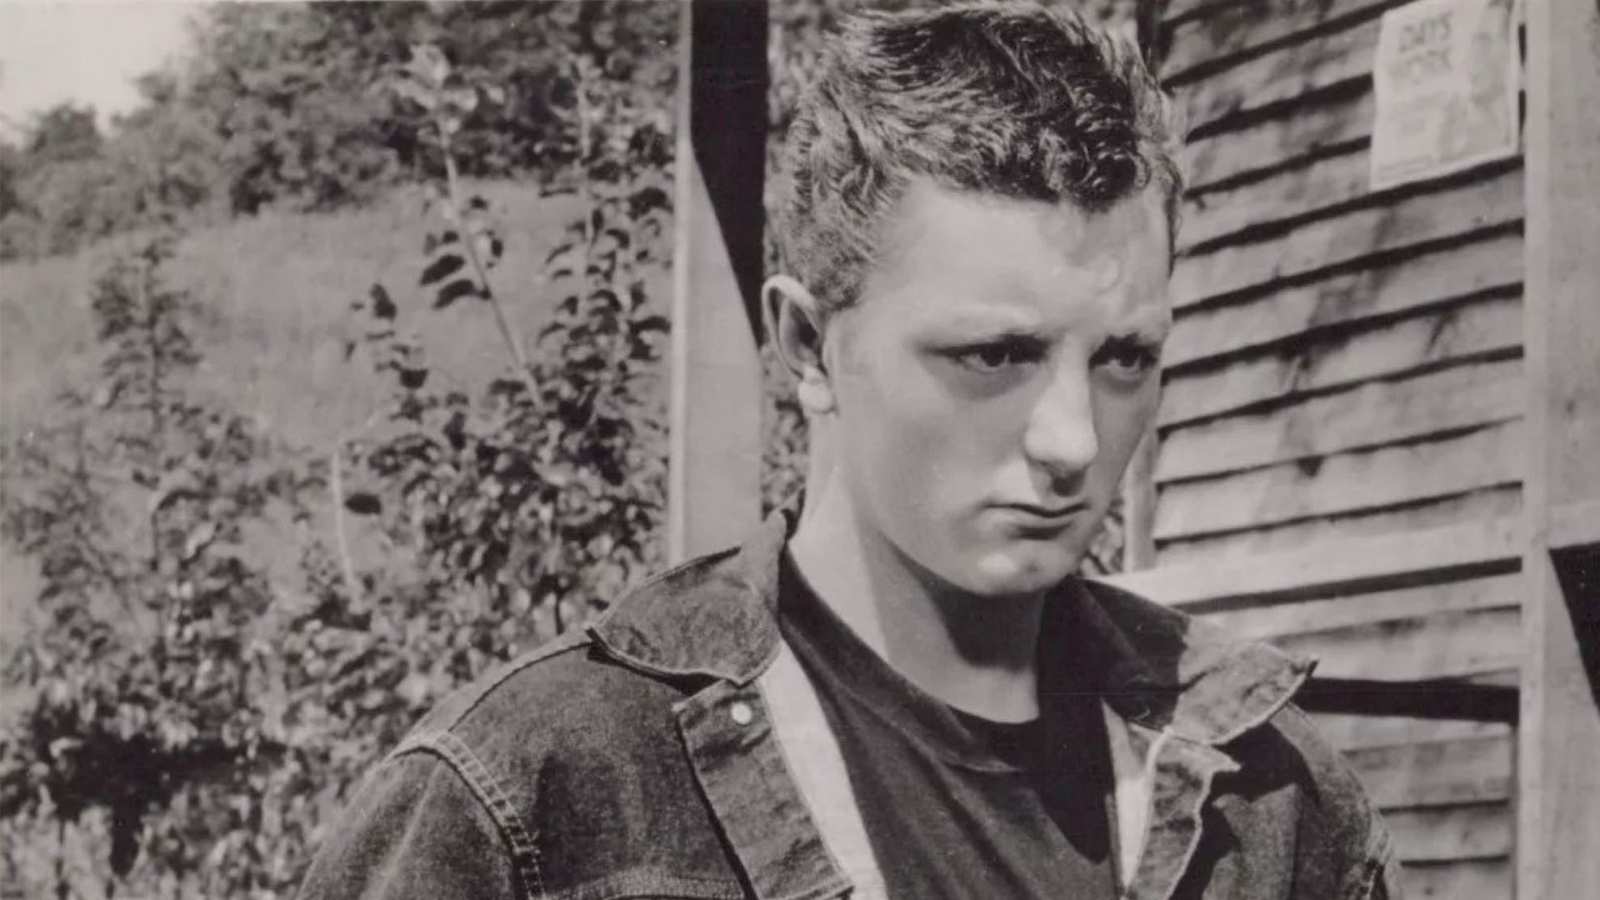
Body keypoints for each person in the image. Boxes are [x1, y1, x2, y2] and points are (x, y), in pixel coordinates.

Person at [298, 5, 1403, 899]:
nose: (1071, 440)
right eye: (994, 356)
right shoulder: (537, 800)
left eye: (1123, 358)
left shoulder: (1277, 802)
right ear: (805, 345)